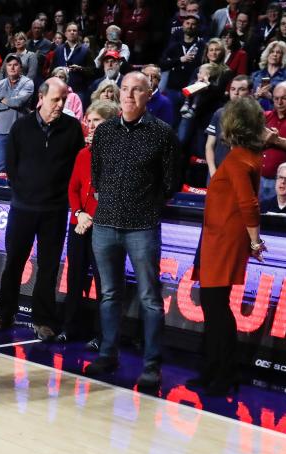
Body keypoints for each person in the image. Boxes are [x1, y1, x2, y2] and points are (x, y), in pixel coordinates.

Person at [85, 72, 181, 391]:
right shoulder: (105, 132)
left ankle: (152, 366)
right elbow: (96, 176)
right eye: (125, 89)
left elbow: (171, 183)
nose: (128, 95)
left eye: (136, 90)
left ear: (148, 94)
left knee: (150, 299)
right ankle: (107, 353)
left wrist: (148, 206)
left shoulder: (162, 133)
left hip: (142, 226)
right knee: (109, 294)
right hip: (105, 224)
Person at [0, 77, 84, 341]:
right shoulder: (21, 126)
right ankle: (5, 314)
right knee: (14, 263)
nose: (60, 104)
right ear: (41, 98)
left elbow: (77, 169)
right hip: (23, 207)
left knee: (49, 267)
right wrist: (23, 192)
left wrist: (61, 196)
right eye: (55, 99)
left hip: (54, 210)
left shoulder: (73, 128)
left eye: (63, 99)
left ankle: (43, 320)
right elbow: (11, 164)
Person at [191, 97, 267, 395]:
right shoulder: (248, 154)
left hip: (224, 238)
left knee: (216, 306)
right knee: (215, 306)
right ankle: (212, 369)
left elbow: (249, 203)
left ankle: (224, 374)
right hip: (219, 236)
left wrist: (255, 240)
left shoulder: (237, 159)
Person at [63, 99, 120, 346]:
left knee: (103, 282)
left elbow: (112, 193)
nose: (92, 125)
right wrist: (78, 214)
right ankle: (70, 327)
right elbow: (73, 188)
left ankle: (102, 335)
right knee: (74, 276)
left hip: (103, 227)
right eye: (89, 120)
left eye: (97, 120)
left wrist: (91, 218)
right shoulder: (82, 154)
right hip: (79, 223)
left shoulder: (117, 155)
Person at [0, 55, 34, 173]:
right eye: (9, 65)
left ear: (20, 67)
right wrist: (10, 102)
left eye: (15, 65)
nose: (12, 67)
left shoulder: (27, 82)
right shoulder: (0, 84)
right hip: (1, 130)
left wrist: (3, 100)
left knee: (19, 167)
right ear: (5, 67)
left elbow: (19, 102)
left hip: (20, 130)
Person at [206, 75, 253, 178]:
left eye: (241, 89)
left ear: (250, 92)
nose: (236, 93)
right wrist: (213, 171)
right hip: (216, 172)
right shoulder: (219, 113)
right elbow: (209, 145)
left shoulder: (255, 116)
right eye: (233, 89)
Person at [250, 41, 286, 110]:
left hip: (278, 113)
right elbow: (248, 98)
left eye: (278, 52)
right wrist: (256, 95)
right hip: (257, 112)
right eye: (272, 51)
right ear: (267, 54)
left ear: (282, 56)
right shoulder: (256, 75)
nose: (274, 54)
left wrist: (270, 97)